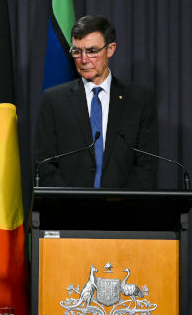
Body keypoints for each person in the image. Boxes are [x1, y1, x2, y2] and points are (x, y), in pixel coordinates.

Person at [34, 14, 158, 188]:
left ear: (110, 49)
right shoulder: (54, 101)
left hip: (124, 211)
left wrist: (120, 205)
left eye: (92, 51)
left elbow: (146, 165)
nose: (84, 60)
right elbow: (45, 163)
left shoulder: (139, 100)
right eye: (77, 51)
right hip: (68, 211)